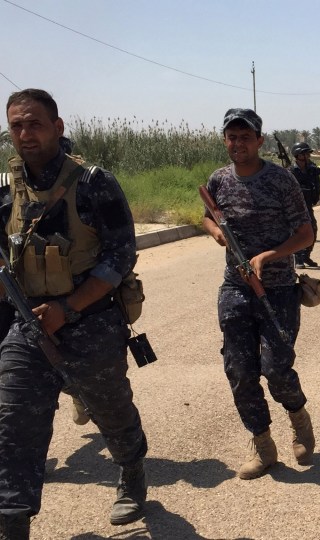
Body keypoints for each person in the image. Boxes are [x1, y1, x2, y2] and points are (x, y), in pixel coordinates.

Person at [0, 89, 149, 534]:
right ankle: (12, 519)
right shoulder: (7, 191)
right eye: (17, 126)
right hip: (28, 326)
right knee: (12, 423)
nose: (25, 134)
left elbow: (121, 256)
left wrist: (68, 308)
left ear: (57, 127)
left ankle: (131, 470)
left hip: (92, 321)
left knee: (111, 409)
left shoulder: (93, 183)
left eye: (35, 124)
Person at [202, 108, 315, 481]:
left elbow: (305, 234)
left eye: (245, 137)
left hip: (278, 288)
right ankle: (263, 444)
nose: (238, 144)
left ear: (260, 141)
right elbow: (207, 215)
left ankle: (298, 416)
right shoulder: (218, 180)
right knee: (239, 370)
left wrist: (269, 255)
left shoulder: (281, 181)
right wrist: (215, 233)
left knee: (275, 367)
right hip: (235, 287)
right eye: (232, 137)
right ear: (225, 140)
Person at [288, 142, 320, 267]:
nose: (308, 155)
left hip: (307, 205)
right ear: (298, 155)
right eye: (305, 153)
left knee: (312, 230)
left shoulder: (311, 169)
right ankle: (298, 258)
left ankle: (306, 256)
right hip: (294, 207)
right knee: (297, 232)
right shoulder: (290, 171)